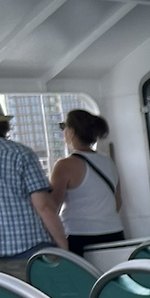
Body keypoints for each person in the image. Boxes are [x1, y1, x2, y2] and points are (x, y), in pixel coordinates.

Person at [0, 101, 66, 276]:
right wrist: (63, 246)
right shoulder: (21, 153)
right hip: (29, 252)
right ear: (4, 126)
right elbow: (44, 206)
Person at [50, 109, 123, 255]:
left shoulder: (65, 165)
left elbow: (52, 207)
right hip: (115, 234)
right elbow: (117, 202)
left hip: (80, 238)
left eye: (63, 127)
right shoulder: (107, 161)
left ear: (71, 131)